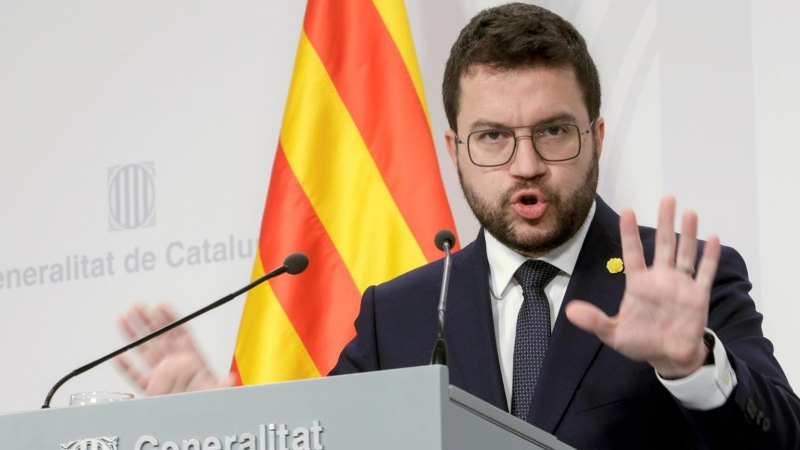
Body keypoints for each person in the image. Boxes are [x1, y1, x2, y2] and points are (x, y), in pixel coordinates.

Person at [117, 3, 800, 448]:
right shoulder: (400, 314)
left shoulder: (673, 279)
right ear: (454, 150)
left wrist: (692, 366)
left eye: (554, 132)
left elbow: (781, 441)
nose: (526, 164)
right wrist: (216, 423)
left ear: (595, 135)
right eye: (494, 137)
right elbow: (329, 441)